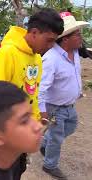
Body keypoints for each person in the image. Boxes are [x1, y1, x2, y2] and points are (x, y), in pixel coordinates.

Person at [38, 12, 89, 179]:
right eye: (77, 34)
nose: (81, 37)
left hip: (69, 105)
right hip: (55, 108)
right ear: (65, 38)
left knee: (71, 126)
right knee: (57, 137)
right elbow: (42, 88)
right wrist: (42, 111)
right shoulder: (51, 59)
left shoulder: (74, 53)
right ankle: (49, 165)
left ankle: (46, 142)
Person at [0, 8, 64, 121]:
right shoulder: (7, 53)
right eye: (49, 40)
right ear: (34, 33)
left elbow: (33, 95)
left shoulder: (37, 57)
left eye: (54, 41)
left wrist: (37, 120)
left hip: (28, 126)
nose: (51, 46)